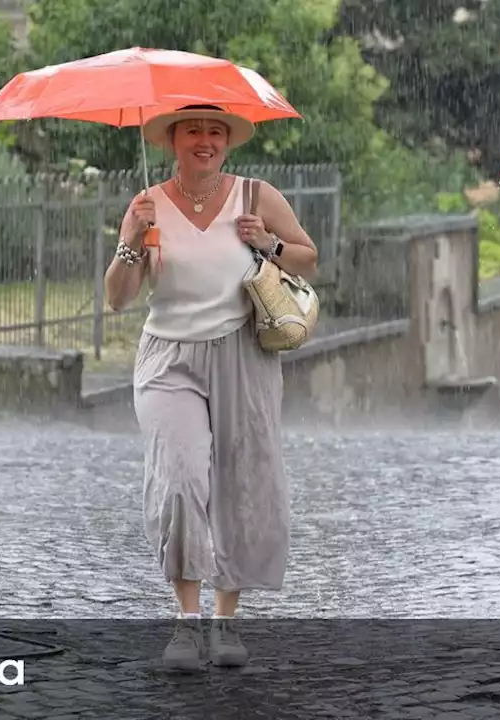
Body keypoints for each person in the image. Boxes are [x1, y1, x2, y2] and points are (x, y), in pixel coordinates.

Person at [102, 104, 319, 672]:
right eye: (194, 130)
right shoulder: (146, 206)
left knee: (240, 483)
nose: (205, 140)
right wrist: (130, 238)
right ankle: (185, 623)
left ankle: (226, 621)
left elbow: (308, 258)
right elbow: (117, 297)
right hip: (168, 358)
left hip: (242, 355)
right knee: (179, 478)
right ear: (174, 139)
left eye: (215, 132)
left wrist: (267, 242)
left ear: (228, 141)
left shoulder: (256, 196)